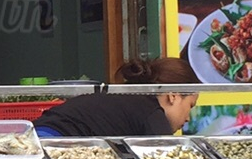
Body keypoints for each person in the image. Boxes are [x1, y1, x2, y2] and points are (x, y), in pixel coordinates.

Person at [37, 57, 200, 140]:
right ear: (173, 95)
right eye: (190, 106)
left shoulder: (132, 101)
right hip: (50, 140)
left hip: (39, 135)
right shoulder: (151, 112)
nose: (188, 118)